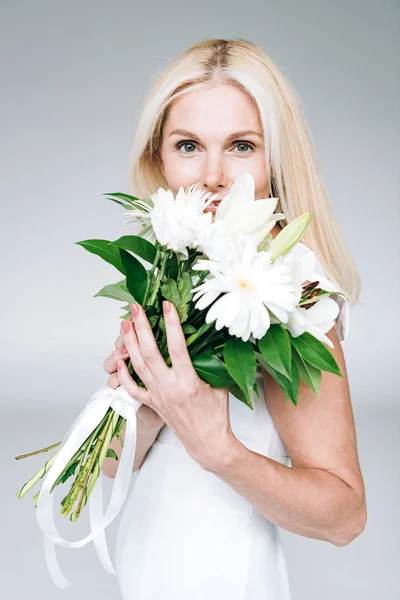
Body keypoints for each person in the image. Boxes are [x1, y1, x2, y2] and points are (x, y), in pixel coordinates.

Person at [101, 38, 366, 599]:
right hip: (146, 570)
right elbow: (109, 465)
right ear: (159, 158)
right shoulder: (176, 270)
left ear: (277, 158)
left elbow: (344, 516)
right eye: (189, 145)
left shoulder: (292, 296)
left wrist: (220, 450)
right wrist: (148, 408)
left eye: (242, 146)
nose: (214, 175)